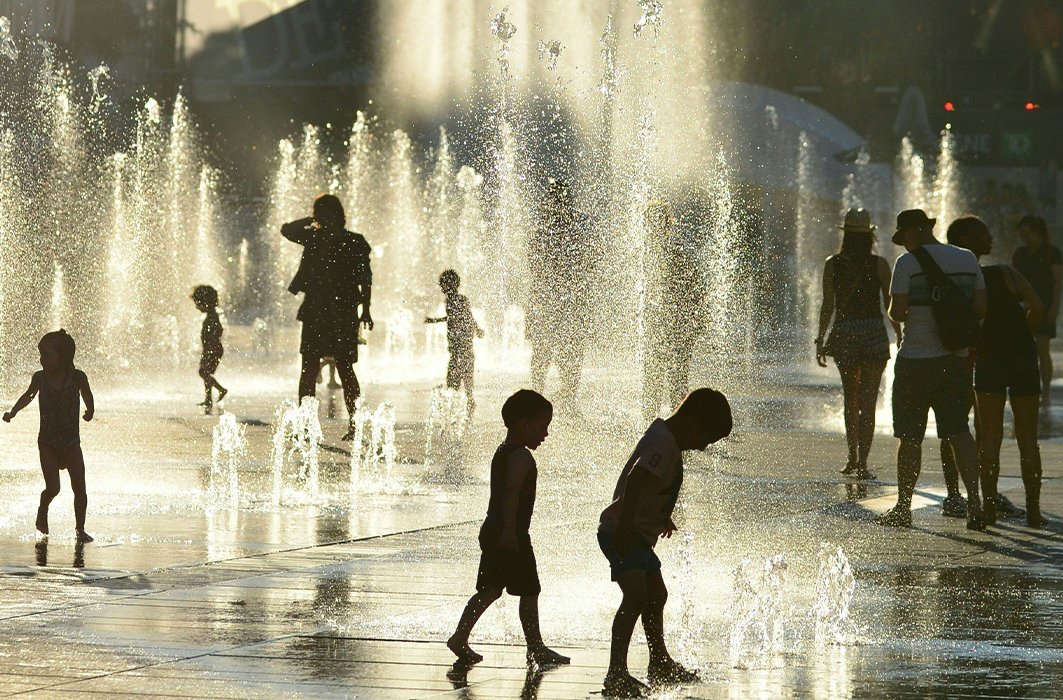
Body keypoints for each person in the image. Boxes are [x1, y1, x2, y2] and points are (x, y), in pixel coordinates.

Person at [598, 388, 733, 698]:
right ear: (691, 423)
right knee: (635, 597)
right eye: (705, 439)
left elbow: (651, 484)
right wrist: (628, 525)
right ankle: (616, 673)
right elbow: (636, 478)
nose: (702, 447)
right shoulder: (664, 443)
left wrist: (661, 515)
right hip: (624, 533)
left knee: (656, 595)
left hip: (636, 534)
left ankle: (659, 661)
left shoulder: (665, 438)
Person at [877, 209, 988, 531]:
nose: (903, 243)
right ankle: (975, 504)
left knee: (910, 437)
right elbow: (981, 308)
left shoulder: (907, 263)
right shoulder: (967, 258)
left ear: (916, 231)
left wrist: (910, 308)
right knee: (959, 432)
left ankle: (903, 507)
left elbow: (898, 311)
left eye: (904, 237)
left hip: (916, 361)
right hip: (955, 360)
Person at [447, 389, 570, 667]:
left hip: (496, 528)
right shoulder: (521, 456)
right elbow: (511, 493)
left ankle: (460, 637)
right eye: (542, 426)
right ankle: (536, 647)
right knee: (529, 590)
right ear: (524, 424)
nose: (546, 433)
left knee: (490, 589)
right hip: (510, 532)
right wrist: (509, 532)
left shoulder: (503, 451)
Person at [947, 217, 1048, 527]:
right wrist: (1023, 334)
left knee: (989, 437)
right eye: (983, 234)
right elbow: (1037, 307)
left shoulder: (958, 280)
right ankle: (1033, 511)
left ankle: (988, 508)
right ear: (966, 239)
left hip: (988, 358)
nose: (990, 237)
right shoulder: (1005, 273)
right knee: (1028, 438)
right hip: (1022, 358)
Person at [815, 208, 899, 480]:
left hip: (845, 334)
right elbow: (891, 305)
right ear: (869, 236)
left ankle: (852, 457)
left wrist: (820, 339)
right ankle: (863, 462)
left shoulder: (833, 264)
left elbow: (828, 304)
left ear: (846, 235)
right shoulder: (880, 264)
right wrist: (900, 333)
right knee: (869, 401)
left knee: (850, 400)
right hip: (874, 334)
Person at [282, 194, 373, 439]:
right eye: (318, 212)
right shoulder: (317, 237)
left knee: (338, 367)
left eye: (321, 212)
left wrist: (366, 310)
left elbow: (365, 279)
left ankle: (352, 424)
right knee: (315, 367)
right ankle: (309, 424)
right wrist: (311, 220)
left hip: (336, 311)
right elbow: (286, 230)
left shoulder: (352, 241)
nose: (320, 217)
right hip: (322, 310)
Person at [3, 330, 95, 543]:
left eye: (46, 354)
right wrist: (13, 412)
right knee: (53, 487)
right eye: (41, 354)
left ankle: (80, 529)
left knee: (80, 488)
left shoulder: (77, 377)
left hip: (71, 443)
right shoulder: (40, 378)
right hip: (47, 443)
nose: (41, 359)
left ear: (62, 356)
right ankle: (42, 509)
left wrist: (90, 410)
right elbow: (28, 396)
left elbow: (87, 394)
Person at [526, 180, 596, 414]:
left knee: (557, 352)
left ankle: (558, 399)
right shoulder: (557, 228)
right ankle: (553, 399)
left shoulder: (546, 229)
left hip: (558, 300)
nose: (557, 205)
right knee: (552, 352)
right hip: (556, 300)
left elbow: (535, 264)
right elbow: (590, 261)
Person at [641, 199, 706, 422]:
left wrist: (695, 321)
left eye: (658, 222)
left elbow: (696, 288)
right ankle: (653, 424)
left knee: (674, 380)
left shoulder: (675, 253)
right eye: (650, 222)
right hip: (660, 325)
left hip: (676, 326)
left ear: (667, 225)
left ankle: (676, 426)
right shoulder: (645, 254)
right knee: (655, 379)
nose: (653, 228)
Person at [1012, 214, 1062, 403]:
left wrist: (1054, 308)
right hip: (1024, 307)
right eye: (1022, 235)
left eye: (1027, 234)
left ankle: (1046, 392)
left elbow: (1057, 283)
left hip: (1045, 306)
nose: (1025, 239)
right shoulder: (1020, 253)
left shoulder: (1052, 253)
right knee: (1024, 351)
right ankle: (1028, 390)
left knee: (1042, 349)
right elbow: (1014, 280)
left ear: (1038, 232)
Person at [425, 270, 484, 414]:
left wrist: (476, 329)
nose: (441, 287)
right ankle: (465, 405)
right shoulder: (454, 300)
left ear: (449, 285)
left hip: (460, 345)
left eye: (443, 284)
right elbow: (455, 317)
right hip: (460, 346)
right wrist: (435, 320)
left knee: (455, 378)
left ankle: (463, 406)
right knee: (462, 377)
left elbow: (467, 317)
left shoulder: (456, 300)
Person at [192, 285, 228, 414]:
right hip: (210, 348)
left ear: (205, 302)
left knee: (204, 373)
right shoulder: (211, 315)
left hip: (213, 349)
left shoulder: (212, 316)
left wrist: (211, 344)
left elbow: (219, 330)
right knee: (205, 373)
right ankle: (208, 399)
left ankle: (221, 390)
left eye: (198, 303)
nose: (197, 306)